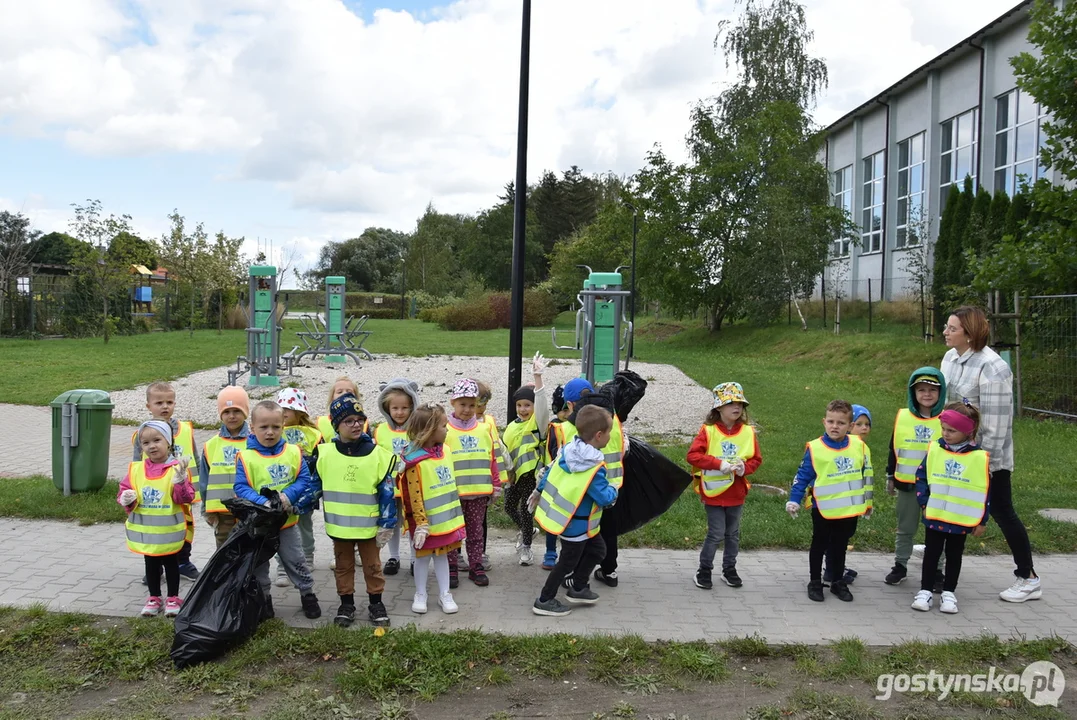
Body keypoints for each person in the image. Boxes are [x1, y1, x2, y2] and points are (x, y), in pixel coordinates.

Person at [941, 305, 1039, 603]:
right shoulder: (950, 358)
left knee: (1001, 511)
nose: (945, 332)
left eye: (952, 328)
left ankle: (1028, 577)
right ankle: (942, 557)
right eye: (946, 327)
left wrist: (983, 464)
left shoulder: (993, 367)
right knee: (949, 505)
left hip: (985, 459)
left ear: (970, 334)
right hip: (954, 452)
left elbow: (996, 426)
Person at [312, 393, 397, 627]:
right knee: (343, 567)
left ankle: (376, 602)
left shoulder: (378, 455)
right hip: (339, 529)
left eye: (360, 419)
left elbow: (387, 492)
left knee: (373, 567)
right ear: (336, 425)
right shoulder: (325, 454)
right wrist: (294, 504)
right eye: (348, 420)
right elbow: (313, 487)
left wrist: (387, 523)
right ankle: (346, 604)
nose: (356, 424)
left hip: (369, 529)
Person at [234, 401, 322, 620]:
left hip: (286, 522)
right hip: (260, 525)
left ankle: (307, 593)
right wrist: (261, 501)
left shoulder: (293, 452)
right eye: (264, 427)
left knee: (295, 559)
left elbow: (303, 478)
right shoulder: (245, 457)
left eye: (275, 426)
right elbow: (241, 486)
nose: (270, 432)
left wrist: (287, 496)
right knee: (260, 565)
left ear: (283, 426)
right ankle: (265, 599)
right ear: (252, 428)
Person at [529, 405, 619, 617]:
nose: (610, 436)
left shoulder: (569, 451)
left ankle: (578, 587)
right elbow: (603, 497)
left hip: (575, 523)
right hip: (577, 525)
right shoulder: (594, 467)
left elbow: (551, 471)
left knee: (598, 551)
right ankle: (545, 599)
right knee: (566, 562)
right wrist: (613, 490)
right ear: (599, 435)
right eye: (609, 432)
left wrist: (538, 490)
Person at [787, 399, 873, 603]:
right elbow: (803, 475)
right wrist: (794, 499)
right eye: (831, 421)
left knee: (840, 546)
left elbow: (866, 476)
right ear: (824, 422)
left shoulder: (858, 446)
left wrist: (868, 503)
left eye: (841, 423)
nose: (835, 426)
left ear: (851, 426)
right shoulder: (815, 448)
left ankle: (837, 581)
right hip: (823, 508)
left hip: (848, 509)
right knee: (819, 545)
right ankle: (815, 582)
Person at [910, 401, 991, 614]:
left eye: (952, 430)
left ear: (968, 431)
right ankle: (925, 591)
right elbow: (921, 476)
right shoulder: (935, 450)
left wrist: (982, 520)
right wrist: (924, 503)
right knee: (931, 554)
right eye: (943, 429)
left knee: (955, 555)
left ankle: (949, 593)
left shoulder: (978, 457)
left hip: (961, 519)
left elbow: (985, 490)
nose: (945, 434)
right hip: (935, 515)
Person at [546, 378, 627, 588]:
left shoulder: (569, 427)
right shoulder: (613, 419)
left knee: (582, 541)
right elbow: (622, 450)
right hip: (611, 486)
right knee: (606, 533)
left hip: (582, 495)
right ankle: (609, 572)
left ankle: (573, 576)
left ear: (571, 405)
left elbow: (556, 463)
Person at [686, 382, 761, 590]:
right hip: (714, 492)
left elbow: (756, 459)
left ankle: (729, 569)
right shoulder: (708, 431)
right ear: (718, 408)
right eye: (730, 403)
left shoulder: (748, 432)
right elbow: (693, 456)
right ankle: (704, 569)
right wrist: (719, 464)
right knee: (716, 533)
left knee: (733, 534)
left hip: (736, 492)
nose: (736, 408)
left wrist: (744, 468)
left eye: (739, 404)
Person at [118, 420, 196, 617]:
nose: (151, 446)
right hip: (147, 534)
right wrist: (126, 498)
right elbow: (126, 490)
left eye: (157, 440)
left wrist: (180, 483)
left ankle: (173, 598)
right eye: (145, 443)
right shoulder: (136, 469)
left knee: (171, 564)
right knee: (150, 564)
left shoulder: (177, 468)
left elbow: (186, 498)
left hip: (169, 533)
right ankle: (153, 597)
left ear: (168, 442)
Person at [883, 368, 947, 589]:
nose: (926, 394)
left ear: (941, 392)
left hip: (937, 486)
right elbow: (894, 447)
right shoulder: (903, 416)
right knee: (905, 527)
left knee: (937, 528)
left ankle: (937, 570)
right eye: (921, 390)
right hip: (908, 484)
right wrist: (890, 476)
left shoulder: (947, 418)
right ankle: (900, 565)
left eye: (932, 390)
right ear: (913, 392)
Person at [400, 403, 466, 614]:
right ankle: (421, 593)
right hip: (424, 524)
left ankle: (445, 594)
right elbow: (414, 495)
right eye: (444, 426)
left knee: (442, 557)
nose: (448, 430)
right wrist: (421, 524)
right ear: (429, 430)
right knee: (421, 558)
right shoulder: (414, 461)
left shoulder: (446, 451)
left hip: (445, 521)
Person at [133, 382, 200, 581]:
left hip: (182, 491)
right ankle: (154, 565)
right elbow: (136, 464)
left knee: (183, 526)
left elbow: (195, 457)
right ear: (148, 406)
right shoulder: (142, 434)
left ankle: (182, 561)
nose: (165, 407)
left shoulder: (185, 429)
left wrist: (198, 487)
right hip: (154, 494)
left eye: (169, 402)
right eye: (159, 402)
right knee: (154, 529)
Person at [444, 379, 501, 587]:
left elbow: (491, 459)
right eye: (462, 404)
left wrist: (495, 485)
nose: (467, 410)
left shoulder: (484, 429)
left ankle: (475, 565)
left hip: (478, 493)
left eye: (472, 404)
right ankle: (450, 567)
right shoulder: (445, 430)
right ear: (453, 403)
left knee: (476, 532)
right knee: (453, 533)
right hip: (453, 494)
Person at [502, 352, 551, 566]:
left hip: (531, 474)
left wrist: (538, 378)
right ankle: (527, 530)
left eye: (527, 405)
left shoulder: (537, 424)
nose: (523, 409)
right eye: (519, 405)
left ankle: (527, 547)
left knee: (525, 509)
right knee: (509, 507)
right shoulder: (512, 426)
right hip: (514, 475)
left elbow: (541, 404)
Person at [374, 378, 422, 576]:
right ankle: (394, 557)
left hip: (411, 486)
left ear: (412, 407)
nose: (400, 412)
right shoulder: (380, 431)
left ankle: (414, 559)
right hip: (389, 487)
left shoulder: (418, 430)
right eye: (395, 408)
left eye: (405, 408)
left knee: (412, 521)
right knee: (391, 522)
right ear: (387, 409)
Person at [822, 403, 872, 585]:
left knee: (845, 536)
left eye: (867, 424)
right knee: (833, 538)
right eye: (859, 424)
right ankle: (831, 569)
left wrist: (867, 502)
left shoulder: (862, 448)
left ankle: (837, 567)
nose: (863, 428)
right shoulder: (839, 448)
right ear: (850, 426)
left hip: (852, 503)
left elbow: (867, 476)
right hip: (834, 503)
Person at [276, 388, 323, 579]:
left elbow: (321, 460)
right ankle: (282, 565)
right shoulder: (275, 430)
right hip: (283, 487)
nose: (284, 411)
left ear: (299, 411)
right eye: (281, 407)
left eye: (288, 407)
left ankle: (307, 556)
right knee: (282, 526)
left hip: (306, 489)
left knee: (304, 524)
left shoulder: (313, 434)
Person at [199, 387, 250, 549]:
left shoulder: (255, 442)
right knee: (224, 551)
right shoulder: (211, 445)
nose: (232, 416)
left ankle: (250, 576)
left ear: (246, 412)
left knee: (249, 549)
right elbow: (204, 480)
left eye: (237, 410)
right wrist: (205, 509)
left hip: (250, 508)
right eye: (226, 412)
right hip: (222, 511)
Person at [475, 380, 509, 571]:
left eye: (484, 405)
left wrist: (505, 467)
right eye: (478, 404)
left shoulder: (489, 422)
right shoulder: (453, 424)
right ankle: (456, 555)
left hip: (484, 481)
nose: (481, 409)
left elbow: (496, 447)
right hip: (462, 483)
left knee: (481, 520)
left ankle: (481, 552)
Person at [540, 383, 570, 570]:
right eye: (563, 410)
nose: (567, 414)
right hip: (554, 475)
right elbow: (552, 450)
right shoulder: (554, 427)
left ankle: (567, 553)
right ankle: (550, 551)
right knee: (552, 515)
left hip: (572, 480)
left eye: (569, 409)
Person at [317, 376, 369, 441]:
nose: (344, 394)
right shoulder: (320, 423)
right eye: (339, 392)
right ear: (332, 397)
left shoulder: (363, 422)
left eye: (349, 391)